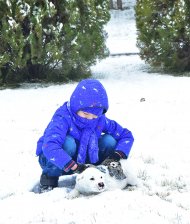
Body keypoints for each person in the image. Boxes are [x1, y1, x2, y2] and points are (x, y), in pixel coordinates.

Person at [36, 79, 134, 193]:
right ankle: (49, 180)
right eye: (86, 114)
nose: (89, 119)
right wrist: (75, 167)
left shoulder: (100, 120)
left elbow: (126, 135)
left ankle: (98, 173)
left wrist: (117, 155)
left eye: (94, 116)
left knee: (109, 141)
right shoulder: (62, 117)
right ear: (76, 106)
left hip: (85, 157)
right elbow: (49, 145)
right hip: (58, 160)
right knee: (68, 143)